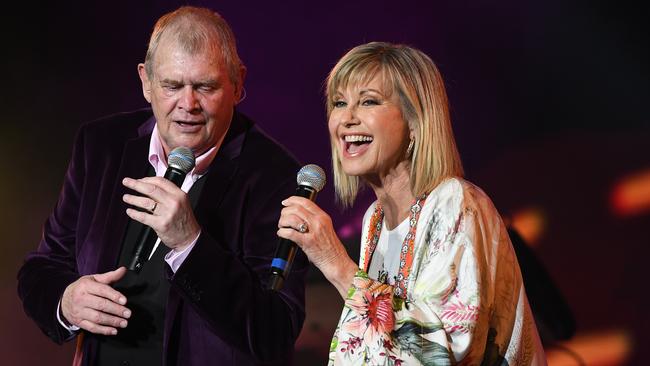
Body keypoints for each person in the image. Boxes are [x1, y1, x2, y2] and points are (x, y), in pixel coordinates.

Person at [17, 6, 308, 366]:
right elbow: (42, 268)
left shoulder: (276, 177)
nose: (188, 104)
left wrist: (190, 242)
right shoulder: (101, 145)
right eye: (172, 85)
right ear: (146, 82)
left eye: (206, 86)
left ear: (238, 83)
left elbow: (275, 330)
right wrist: (66, 302)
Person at [278, 42, 547, 365]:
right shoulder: (375, 220)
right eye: (339, 103)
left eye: (368, 102)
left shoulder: (456, 203)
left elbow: (443, 353)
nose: (346, 119)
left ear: (416, 122)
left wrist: (335, 263)